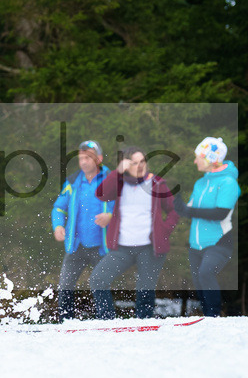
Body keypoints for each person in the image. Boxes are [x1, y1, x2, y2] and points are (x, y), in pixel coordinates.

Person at [89, 147, 179, 319]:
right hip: (122, 248)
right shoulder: (119, 183)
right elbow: (101, 194)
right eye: (135, 163)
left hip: (149, 248)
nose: (140, 166)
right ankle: (107, 321)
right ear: (126, 165)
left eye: (142, 162)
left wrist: (165, 230)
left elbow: (174, 210)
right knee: (98, 279)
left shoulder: (156, 183)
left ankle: (143, 324)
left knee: (144, 290)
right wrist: (117, 172)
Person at [172, 137, 240, 317]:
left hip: (219, 242)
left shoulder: (228, 182)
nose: (195, 161)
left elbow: (220, 213)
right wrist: (178, 205)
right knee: (199, 281)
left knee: (206, 273)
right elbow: (190, 209)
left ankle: (214, 315)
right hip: (196, 244)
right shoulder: (200, 183)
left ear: (211, 159)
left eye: (198, 157)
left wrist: (189, 210)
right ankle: (207, 317)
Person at [51, 140, 114, 320]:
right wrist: (58, 226)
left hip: (101, 247)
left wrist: (110, 216)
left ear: (99, 159)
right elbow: (59, 208)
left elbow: (125, 208)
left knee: (100, 285)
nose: (84, 161)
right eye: (81, 158)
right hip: (76, 246)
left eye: (88, 157)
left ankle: (107, 322)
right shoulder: (72, 182)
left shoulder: (112, 181)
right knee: (65, 286)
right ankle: (65, 323)